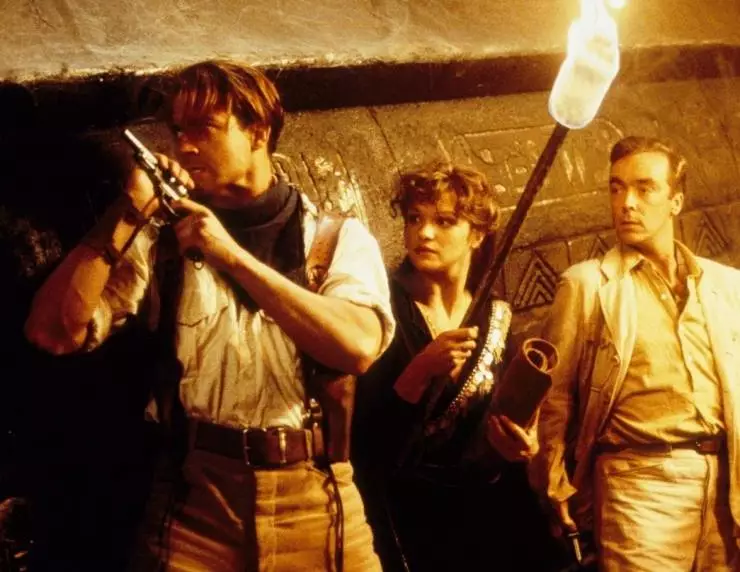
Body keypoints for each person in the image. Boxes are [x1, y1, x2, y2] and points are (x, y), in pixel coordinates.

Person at [24, 59, 394, 571]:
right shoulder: (161, 241)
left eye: (204, 128)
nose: (185, 145)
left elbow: (356, 347)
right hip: (194, 501)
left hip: (315, 498)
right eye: (178, 130)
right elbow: (52, 332)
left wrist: (230, 257)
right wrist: (128, 211)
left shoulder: (334, 239)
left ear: (258, 132)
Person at [530, 135, 740, 571]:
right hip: (639, 487)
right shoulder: (588, 285)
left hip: (724, 486)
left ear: (675, 201)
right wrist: (554, 484)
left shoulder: (725, 285)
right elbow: (553, 398)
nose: (627, 203)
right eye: (617, 188)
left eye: (645, 189)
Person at [352, 162, 559, 572]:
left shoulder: (495, 316)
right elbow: (362, 441)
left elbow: (507, 423)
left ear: (477, 235)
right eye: (415, 219)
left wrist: (523, 445)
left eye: (444, 221)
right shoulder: (380, 311)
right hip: (411, 523)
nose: (424, 233)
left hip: (490, 518)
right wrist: (418, 373)